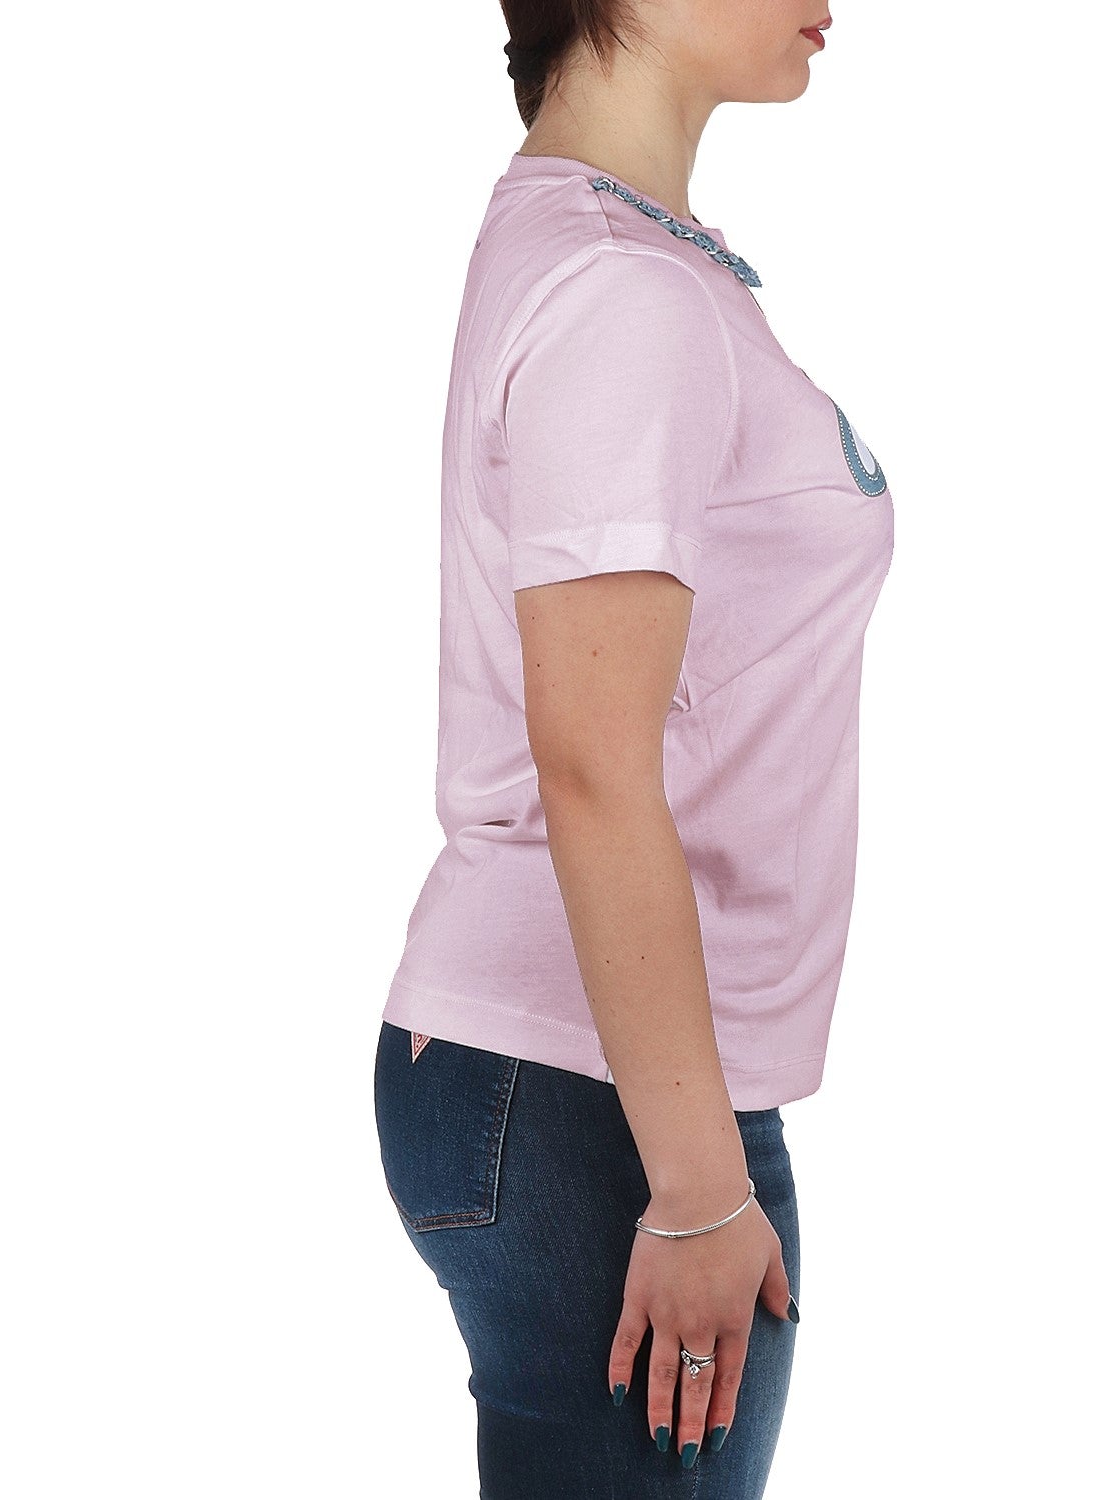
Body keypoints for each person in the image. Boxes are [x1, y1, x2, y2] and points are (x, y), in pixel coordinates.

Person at [372, 3, 892, 1494]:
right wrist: (699, 1191)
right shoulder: (621, 290)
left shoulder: (616, 250)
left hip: (592, 1080)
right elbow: (592, 760)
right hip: (601, 1099)